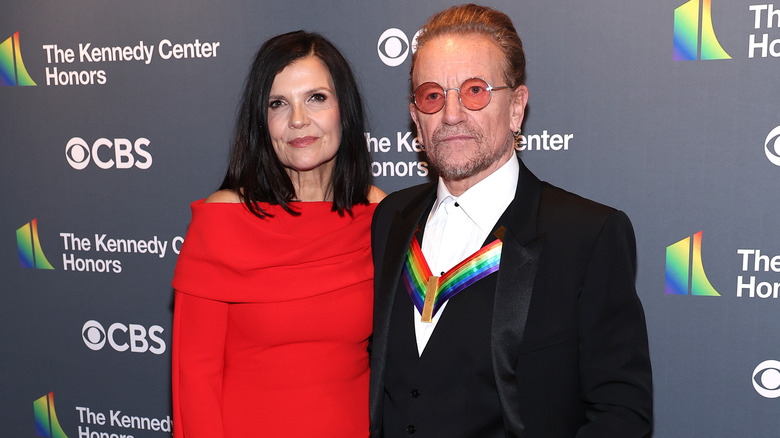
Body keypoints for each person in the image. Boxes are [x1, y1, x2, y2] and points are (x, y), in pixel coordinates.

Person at [369, 4, 652, 437]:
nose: (451, 114)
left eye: (475, 91)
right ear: (415, 119)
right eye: (432, 95)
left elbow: (621, 414)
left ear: (516, 107)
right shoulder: (391, 218)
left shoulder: (587, 235)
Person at [171, 31, 384, 438]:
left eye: (316, 98)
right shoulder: (224, 220)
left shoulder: (378, 214)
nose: (298, 120)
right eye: (278, 104)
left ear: (344, 110)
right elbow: (194, 377)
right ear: (262, 121)